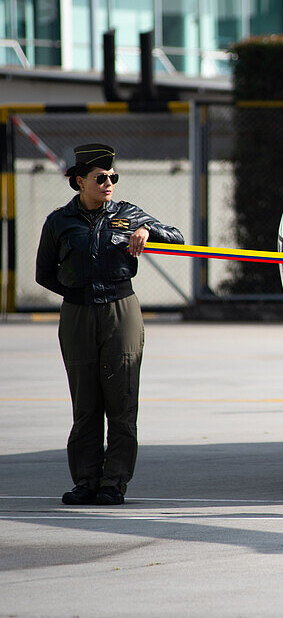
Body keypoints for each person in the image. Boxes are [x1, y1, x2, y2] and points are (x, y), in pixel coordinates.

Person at [35, 144, 184, 506]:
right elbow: (44, 273)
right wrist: (78, 292)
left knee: (121, 400)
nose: (108, 184)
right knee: (85, 402)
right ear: (79, 181)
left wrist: (148, 230)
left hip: (121, 309)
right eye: (100, 178)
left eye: (112, 178)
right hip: (78, 312)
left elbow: (177, 236)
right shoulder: (59, 221)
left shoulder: (128, 214)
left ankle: (113, 483)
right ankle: (86, 480)